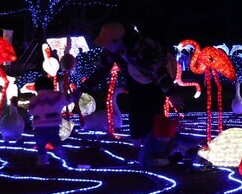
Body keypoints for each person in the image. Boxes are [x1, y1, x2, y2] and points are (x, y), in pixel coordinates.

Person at [75, 22, 190, 151]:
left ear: (118, 41)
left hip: (156, 78)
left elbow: (158, 71)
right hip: (136, 75)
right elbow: (101, 71)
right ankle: (138, 148)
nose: (106, 46)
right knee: (135, 110)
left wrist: (171, 93)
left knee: (153, 114)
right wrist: (82, 89)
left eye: (108, 43)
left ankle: (163, 147)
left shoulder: (141, 48)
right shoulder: (112, 51)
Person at [28, 75, 80, 165]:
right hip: (53, 125)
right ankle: (62, 158)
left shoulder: (34, 100)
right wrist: (76, 94)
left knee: (40, 145)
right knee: (56, 142)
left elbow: (31, 111)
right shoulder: (57, 95)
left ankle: (42, 161)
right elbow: (68, 99)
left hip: (38, 126)